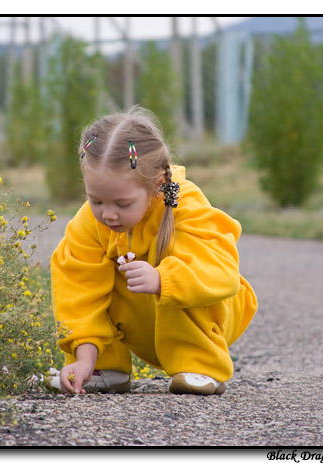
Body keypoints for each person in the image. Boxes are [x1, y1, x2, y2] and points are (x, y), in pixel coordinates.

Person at [45, 108, 257, 395]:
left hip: (208, 319)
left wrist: (162, 280)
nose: (108, 214)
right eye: (96, 201)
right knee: (97, 279)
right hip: (142, 323)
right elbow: (77, 288)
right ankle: (103, 367)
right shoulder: (88, 222)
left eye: (122, 204)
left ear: (157, 185)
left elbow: (221, 273)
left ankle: (199, 365)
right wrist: (83, 356)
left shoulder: (187, 204)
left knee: (180, 284)